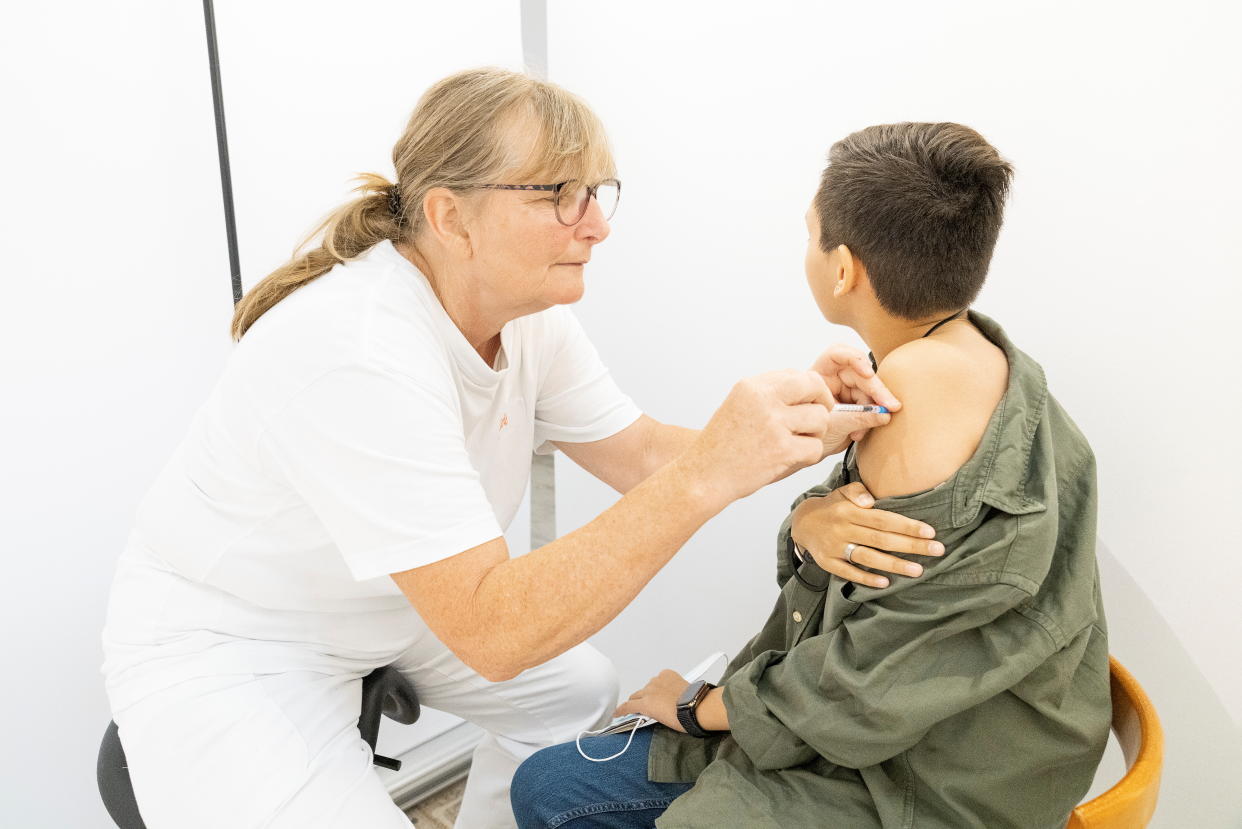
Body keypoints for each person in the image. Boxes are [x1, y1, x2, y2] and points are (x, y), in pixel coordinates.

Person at [99, 69, 934, 829]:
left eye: (599, 191)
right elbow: (494, 631)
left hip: (386, 605)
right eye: (560, 195)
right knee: (529, 661)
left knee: (574, 690)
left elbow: (642, 453)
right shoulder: (358, 352)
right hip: (237, 644)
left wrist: (801, 433)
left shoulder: (527, 319)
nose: (598, 225)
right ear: (449, 216)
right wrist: (714, 470)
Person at [509, 122, 1112, 829]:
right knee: (556, 779)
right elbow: (887, 596)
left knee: (552, 794)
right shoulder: (976, 349)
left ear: (843, 269)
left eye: (810, 234)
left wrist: (696, 706)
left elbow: (863, 684)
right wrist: (808, 514)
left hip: (930, 780)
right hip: (984, 736)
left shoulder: (912, 393)